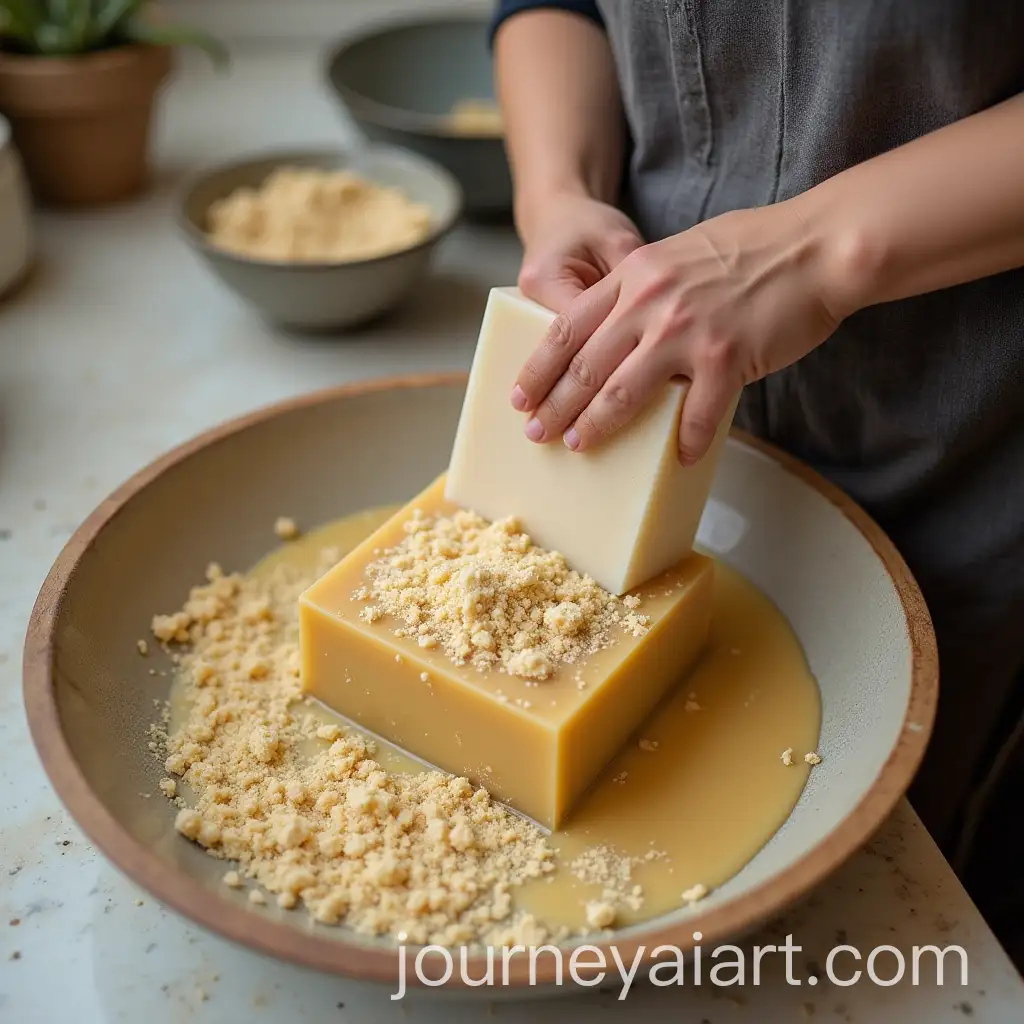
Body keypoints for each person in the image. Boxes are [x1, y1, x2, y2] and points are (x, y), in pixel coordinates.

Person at [492, 1, 1024, 964]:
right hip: (641, 389)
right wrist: (559, 192)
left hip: (967, 445)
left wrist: (815, 252)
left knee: (878, 916)